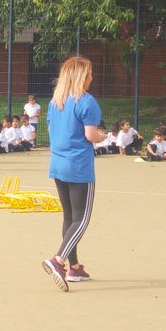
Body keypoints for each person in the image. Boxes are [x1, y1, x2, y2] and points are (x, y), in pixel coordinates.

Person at [41, 55, 101, 291]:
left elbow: (52, 129)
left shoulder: (55, 102)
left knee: (69, 217)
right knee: (82, 218)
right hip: (78, 166)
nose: (92, 78)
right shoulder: (87, 102)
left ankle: (74, 268)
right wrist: (102, 136)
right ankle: (59, 260)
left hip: (58, 164)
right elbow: (90, 136)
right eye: (89, 74)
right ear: (80, 77)